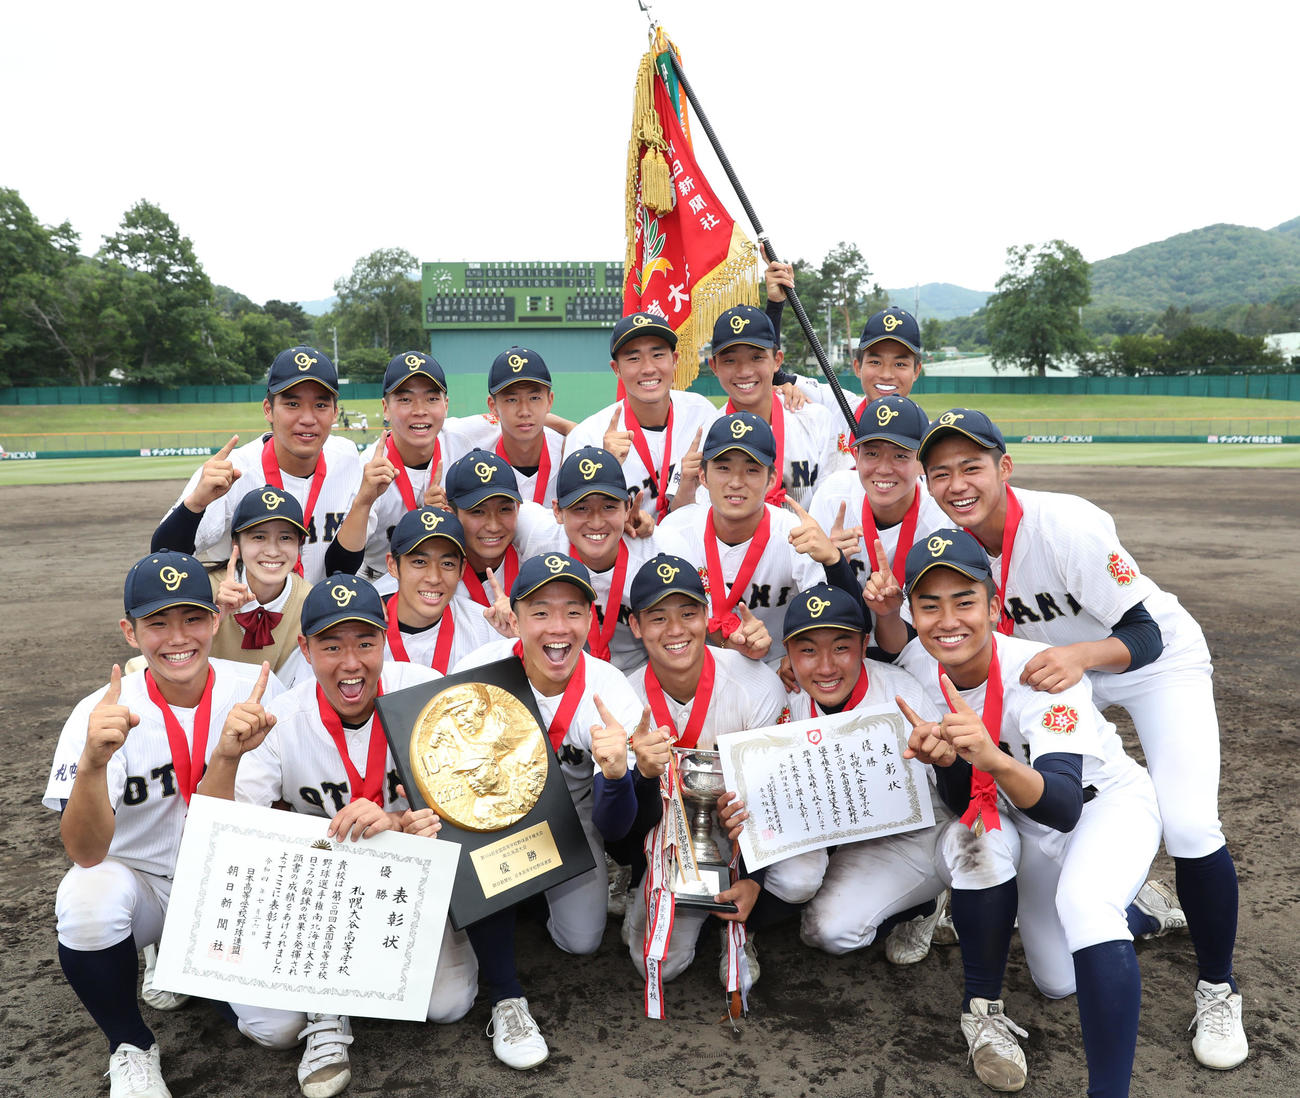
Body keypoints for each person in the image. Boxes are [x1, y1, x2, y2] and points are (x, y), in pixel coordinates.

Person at [914, 408, 1247, 1071]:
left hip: (1149, 666)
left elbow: (1145, 631)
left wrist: (1084, 658)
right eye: (941, 472)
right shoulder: (954, 547)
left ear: (1004, 468)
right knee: (1056, 974)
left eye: (972, 466)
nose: (957, 483)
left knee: (1187, 824)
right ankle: (1127, 896)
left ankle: (1217, 988)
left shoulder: (1064, 526)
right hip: (1058, 680)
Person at [895, 528, 1162, 1097]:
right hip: (1022, 818)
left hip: (1101, 808)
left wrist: (990, 756)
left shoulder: (1041, 672)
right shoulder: (918, 669)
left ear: (994, 606)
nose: (948, 620)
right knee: (1056, 980)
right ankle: (1142, 912)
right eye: (929, 604)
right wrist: (949, 763)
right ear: (911, 613)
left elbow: (1064, 805)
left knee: (1086, 906)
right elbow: (964, 795)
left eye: (965, 601)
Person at [203, 574, 478, 1096]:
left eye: (365, 643)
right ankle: (325, 1003)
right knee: (274, 1029)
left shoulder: (423, 690)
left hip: (405, 886)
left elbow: (472, 803)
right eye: (331, 645)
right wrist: (228, 756)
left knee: (448, 1005)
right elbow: (232, 834)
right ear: (304, 649)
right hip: (310, 895)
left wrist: (398, 826)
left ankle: (344, 986)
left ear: (385, 642)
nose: (351, 663)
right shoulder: (280, 717)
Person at [44, 551, 283, 1098]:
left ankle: (188, 964)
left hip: (233, 884)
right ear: (130, 632)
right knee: (86, 898)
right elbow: (84, 851)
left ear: (215, 620)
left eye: (192, 618)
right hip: (145, 885)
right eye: (157, 622)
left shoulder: (254, 691)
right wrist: (92, 765)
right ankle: (130, 1044)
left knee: (278, 1031)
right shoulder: (99, 712)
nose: (178, 637)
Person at [452, 553, 645, 1069]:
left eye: (573, 611)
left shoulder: (610, 692)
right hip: (491, 817)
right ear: (514, 618)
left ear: (591, 618)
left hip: (571, 821)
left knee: (581, 941)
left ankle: (527, 902)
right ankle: (504, 994)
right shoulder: (477, 672)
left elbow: (615, 827)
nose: (558, 628)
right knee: (477, 839)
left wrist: (614, 776)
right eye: (540, 611)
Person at [716, 583, 955, 966]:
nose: (825, 666)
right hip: (821, 828)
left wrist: (945, 759)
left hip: (899, 833)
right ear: (788, 654)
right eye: (807, 650)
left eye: (841, 647)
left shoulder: (902, 693)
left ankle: (922, 905)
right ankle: (745, 932)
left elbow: (949, 799)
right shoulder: (780, 695)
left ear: (864, 645)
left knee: (830, 931)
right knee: (798, 878)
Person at [621, 554, 789, 993]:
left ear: (708, 615)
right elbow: (619, 827)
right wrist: (638, 774)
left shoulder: (755, 684)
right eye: (657, 618)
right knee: (656, 965)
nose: (675, 630)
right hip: (667, 837)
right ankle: (652, 889)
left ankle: (744, 927)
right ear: (635, 626)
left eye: (688, 613)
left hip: (746, 826)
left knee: (800, 877)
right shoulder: (623, 698)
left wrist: (755, 878)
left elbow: (776, 794)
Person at [658, 411, 857, 668]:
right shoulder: (674, 531)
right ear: (703, 476)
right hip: (694, 668)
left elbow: (838, 617)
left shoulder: (795, 535)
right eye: (723, 468)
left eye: (751, 470)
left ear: (771, 479)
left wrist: (798, 655)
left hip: (777, 669)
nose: (736, 482)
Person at [153, 347, 361, 584]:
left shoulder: (347, 457)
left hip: (322, 613)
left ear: (335, 413)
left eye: (321, 405)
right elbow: (163, 557)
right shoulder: (232, 470)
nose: (307, 418)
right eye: (292, 404)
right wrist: (195, 503)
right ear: (268, 410)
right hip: (245, 614)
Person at [516, 446, 689, 672]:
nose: (596, 522)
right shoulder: (534, 529)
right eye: (581, 508)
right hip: (560, 674)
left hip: (641, 675)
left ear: (628, 507)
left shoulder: (664, 551)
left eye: (609, 507)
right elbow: (476, 517)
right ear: (557, 511)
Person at [333, 351, 472, 595]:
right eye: (405, 400)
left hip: (444, 581)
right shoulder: (367, 468)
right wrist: (364, 500)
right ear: (386, 408)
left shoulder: (463, 445)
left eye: (431, 398)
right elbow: (339, 565)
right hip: (379, 581)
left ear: (446, 405)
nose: (420, 410)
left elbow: (519, 418)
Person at [563, 312, 717, 518]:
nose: (648, 368)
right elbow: (573, 520)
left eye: (658, 355)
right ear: (616, 369)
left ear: (675, 360)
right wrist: (606, 468)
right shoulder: (588, 438)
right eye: (634, 358)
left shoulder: (702, 413)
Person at [765, 259, 925, 457]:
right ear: (857, 367)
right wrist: (775, 304)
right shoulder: (836, 405)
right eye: (875, 362)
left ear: (916, 371)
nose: (886, 374)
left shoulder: (927, 435)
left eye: (900, 364)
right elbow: (770, 374)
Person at [809, 395, 948, 615]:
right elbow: (814, 602)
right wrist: (834, 566)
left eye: (900, 455)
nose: (883, 468)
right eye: (872, 453)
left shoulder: (941, 519)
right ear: (856, 456)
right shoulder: (832, 496)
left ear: (923, 462)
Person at [700, 304, 842, 508]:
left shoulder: (816, 419)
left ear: (777, 361)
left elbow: (833, 501)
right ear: (714, 366)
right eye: (730, 360)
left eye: (756, 357)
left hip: (807, 538)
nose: (744, 372)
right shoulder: (707, 433)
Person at [380, 506, 494, 672]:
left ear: (461, 569)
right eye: (419, 562)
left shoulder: (486, 629)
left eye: (447, 564)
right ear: (393, 566)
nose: (434, 578)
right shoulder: (365, 631)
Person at [449, 346, 565, 508]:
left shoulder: (567, 450)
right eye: (511, 400)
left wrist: (572, 430)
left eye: (534, 398)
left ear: (550, 401)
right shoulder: (473, 442)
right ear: (492, 405)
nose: (524, 411)